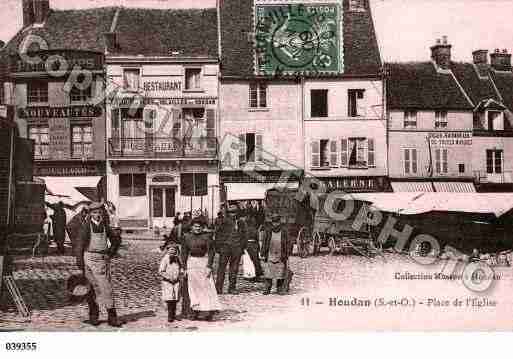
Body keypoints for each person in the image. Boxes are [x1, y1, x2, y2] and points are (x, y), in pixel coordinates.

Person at [76, 202, 122, 327]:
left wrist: (111, 252)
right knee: (90, 289)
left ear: (102, 213)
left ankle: (112, 317)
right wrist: (80, 261)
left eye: (99, 213)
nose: (97, 215)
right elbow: (79, 244)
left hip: (102, 260)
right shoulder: (86, 227)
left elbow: (115, 240)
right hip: (88, 259)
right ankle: (93, 316)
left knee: (106, 288)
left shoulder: (105, 226)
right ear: (90, 214)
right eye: (94, 213)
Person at [181, 218, 221, 321]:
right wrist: (184, 267)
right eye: (195, 226)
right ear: (192, 227)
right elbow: (184, 253)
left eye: (199, 227)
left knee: (206, 287)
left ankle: (208, 311)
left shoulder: (207, 237)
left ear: (202, 227)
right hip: (192, 263)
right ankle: (195, 311)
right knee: (193, 288)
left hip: (203, 262)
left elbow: (211, 252)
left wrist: (209, 266)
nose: (197, 228)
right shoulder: (187, 237)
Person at [215, 204, 247, 294]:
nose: (233, 214)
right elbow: (217, 235)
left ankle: (232, 288)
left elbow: (245, 235)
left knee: (234, 269)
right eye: (231, 212)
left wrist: (242, 247)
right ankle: (218, 288)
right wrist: (218, 247)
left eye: (235, 212)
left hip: (237, 248)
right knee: (221, 268)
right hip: (225, 248)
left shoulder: (241, 222)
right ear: (228, 213)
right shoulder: (223, 221)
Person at [261, 214, 291, 295]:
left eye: (277, 222)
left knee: (280, 273)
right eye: (274, 222)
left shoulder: (284, 231)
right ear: (272, 223)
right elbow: (264, 242)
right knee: (268, 273)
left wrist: (287, 253)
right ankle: (267, 288)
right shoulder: (268, 231)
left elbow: (288, 243)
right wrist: (263, 253)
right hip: (270, 253)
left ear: (279, 222)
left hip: (281, 255)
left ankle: (279, 288)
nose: (275, 224)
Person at [159, 243, 183, 323]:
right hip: (168, 282)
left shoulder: (177, 259)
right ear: (168, 250)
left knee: (175, 299)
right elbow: (161, 271)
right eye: (171, 250)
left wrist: (181, 273)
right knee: (169, 299)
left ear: (177, 251)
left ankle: (174, 314)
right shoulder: (165, 259)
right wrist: (169, 277)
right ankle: (170, 315)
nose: (172, 251)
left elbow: (180, 268)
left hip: (176, 281)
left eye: (174, 250)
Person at [245, 213, 264, 281]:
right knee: (255, 260)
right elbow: (257, 239)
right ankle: (257, 274)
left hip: (248, 245)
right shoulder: (255, 230)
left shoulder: (246, 229)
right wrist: (258, 247)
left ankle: (251, 275)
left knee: (250, 261)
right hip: (254, 245)